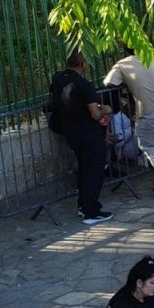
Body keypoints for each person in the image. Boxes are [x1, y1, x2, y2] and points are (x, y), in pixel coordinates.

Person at [100, 49, 154, 195]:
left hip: (147, 109)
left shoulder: (122, 64)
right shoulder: (152, 58)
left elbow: (108, 84)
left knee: (146, 144)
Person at [48, 51, 113, 225]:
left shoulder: (58, 79)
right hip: (89, 134)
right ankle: (91, 212)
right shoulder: (85, 85)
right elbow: (95, 114)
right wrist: (106, 109)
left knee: (84, 171)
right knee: (93, 173)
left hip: (72, 133)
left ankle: (83, 206)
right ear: (83, 64)